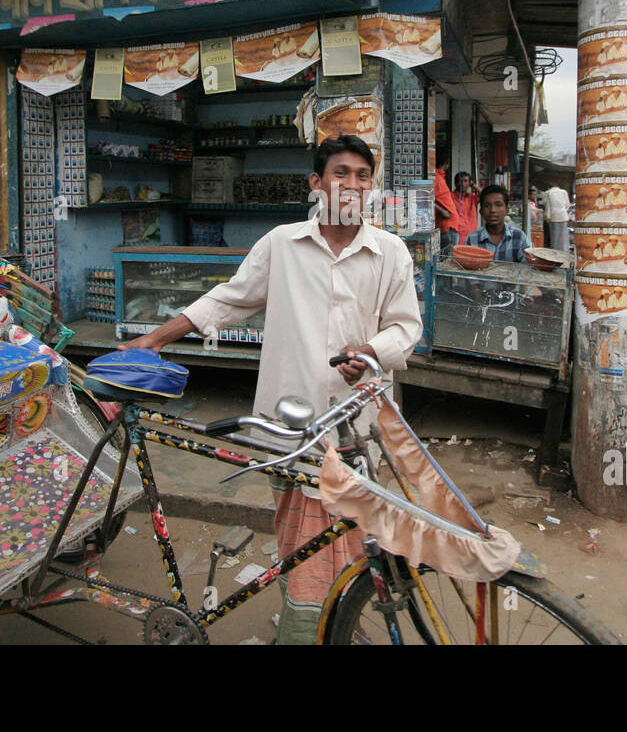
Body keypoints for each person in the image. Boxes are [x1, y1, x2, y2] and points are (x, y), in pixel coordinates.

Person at [120, 135, 422, 643]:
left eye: (362, 175)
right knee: (300, 538)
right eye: (340, 173)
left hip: (359, 425)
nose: (352, 184)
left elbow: (405, 327)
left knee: (356, 533)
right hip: (289, 426)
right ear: (316, 183)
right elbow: (226, 301)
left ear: (371, 187)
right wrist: (151, 340)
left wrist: (369, 353)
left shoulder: (389, 252)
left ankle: (341, 623)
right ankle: (308, 627)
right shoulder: (282, 244)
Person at [464, 184, 527, 262]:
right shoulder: (472, 239)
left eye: (498, 205)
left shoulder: (519, 237)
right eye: (487, 205)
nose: (492, 210)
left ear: (507, 210)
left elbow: (528, 268)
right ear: (481, 212)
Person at [433, 150, 460, 254]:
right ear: (447, 164)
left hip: (450, 224)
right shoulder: (436, 177)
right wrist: (442, 211)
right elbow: (427, 197)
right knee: (447, 259)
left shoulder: (440, 177)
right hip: (447, 225)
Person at [452, 172, 480, 245]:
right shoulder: (450, 196)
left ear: (469, 183)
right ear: (455, 183)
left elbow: (486, 195)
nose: (463, 184)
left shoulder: (472, 197)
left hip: (472, 234)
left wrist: (473, 185)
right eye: (460, 181)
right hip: (457, 235)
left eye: (465, 181)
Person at [543, 184, 571, 253]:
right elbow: (567, 205)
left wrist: (547, 217)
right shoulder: (564, 192)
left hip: (553, 216)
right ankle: (564, 251)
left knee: (554, 237)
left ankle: (556, 252)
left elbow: (545, 204)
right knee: (563, 236)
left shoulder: (547, 192)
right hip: (563, 216)